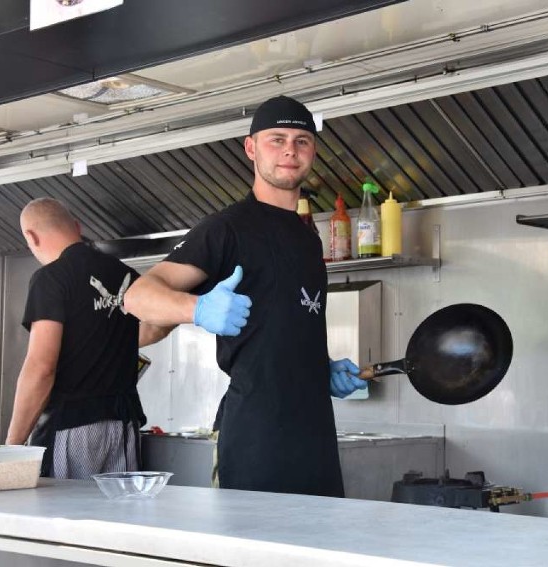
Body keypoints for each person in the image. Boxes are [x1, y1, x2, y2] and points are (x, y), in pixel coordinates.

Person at [124, 95, 367, 497]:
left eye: (301, 140)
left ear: (313, 152)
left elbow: (283, 325)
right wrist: (198, 308)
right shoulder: (227, 229)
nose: (290, 149)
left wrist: (319, 367)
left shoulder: (308, 237)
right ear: (251, 148)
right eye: (277, 138)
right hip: (256, 435)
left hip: (316, 434)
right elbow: (138, 296)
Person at [6, 197, 162, 478]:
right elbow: (156, 326)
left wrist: (11, 447)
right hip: (123, 426)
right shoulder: (124, 273)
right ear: (77, 227)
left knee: (63, 517)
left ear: (30, 236)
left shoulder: (51, 279)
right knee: (114, 516)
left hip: (71, 426)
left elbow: (41, 367)